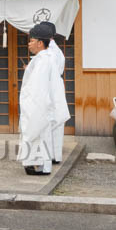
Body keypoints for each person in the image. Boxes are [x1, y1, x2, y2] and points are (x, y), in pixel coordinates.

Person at [18, 22, 70, 176]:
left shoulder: (45, 60)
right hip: (38, 104)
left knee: (39, 135)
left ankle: (39, 165)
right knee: (41, 136)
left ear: (40, 43)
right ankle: (37, 163)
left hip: (38, 105)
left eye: (31, 40)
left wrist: (34, 108)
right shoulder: (42, 58)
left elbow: (39, 88)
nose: (29, 44)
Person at [50, 32, 67, 164]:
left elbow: (49, 72)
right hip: (55, 86)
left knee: (53, 122)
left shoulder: (51, 52)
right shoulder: (55, 51)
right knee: (55, 123)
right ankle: (54, 155)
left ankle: (52, 155)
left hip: (52, 87)